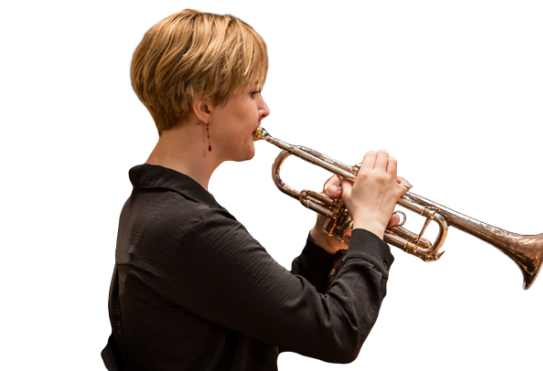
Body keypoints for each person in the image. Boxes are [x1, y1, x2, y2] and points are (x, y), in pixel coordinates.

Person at [113, 7, 410, 370]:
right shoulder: (189, 227)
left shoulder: (159, 207)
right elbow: (337, 333)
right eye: (253, 92)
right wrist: (370, 225)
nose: (264, 109)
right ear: (205, 105)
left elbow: (270, 316)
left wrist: (324, 243)